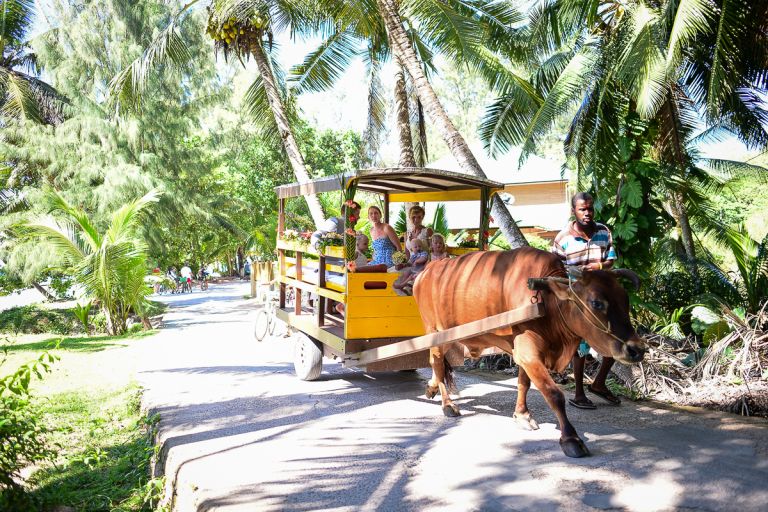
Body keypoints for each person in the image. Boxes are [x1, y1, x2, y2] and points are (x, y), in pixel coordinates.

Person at [552, 192, 619, 410]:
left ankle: (599, 383)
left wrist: (596, 267)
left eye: (590, 208)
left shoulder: (603, 231)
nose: (587, 213)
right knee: (580, 345)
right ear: (574, 211)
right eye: (583, 209)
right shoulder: (563, 238)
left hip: (601, 294)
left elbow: (610, 260)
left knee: (617, 335)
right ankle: (579, 393)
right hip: (577, 298)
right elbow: (555, 268)